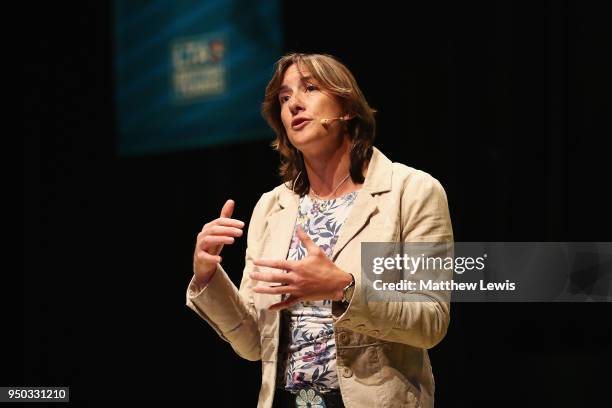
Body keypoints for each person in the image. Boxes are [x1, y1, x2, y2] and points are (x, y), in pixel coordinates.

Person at [186, 53, 453, 408]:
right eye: (284, 98)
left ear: (347, 108)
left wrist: (342, 289)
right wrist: (208, 276)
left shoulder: (411, 191)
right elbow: (254, 344)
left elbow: (430, 322)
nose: (294, 103)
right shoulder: (272, 208)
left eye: (310, 88)